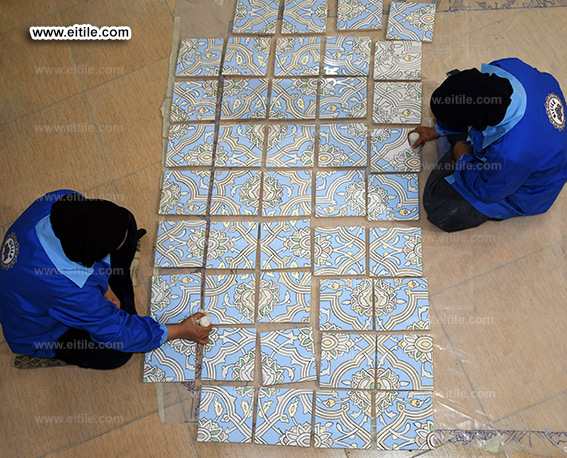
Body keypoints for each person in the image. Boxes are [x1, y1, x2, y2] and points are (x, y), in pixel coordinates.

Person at [0, 190, 212, 370]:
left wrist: (105, 287)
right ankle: (52, 351)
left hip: (45, 280)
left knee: (126, 225)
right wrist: (180, 330)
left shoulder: (63, 199)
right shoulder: (72, 292)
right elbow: (118, 333)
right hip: (41, 329)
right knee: (117, 353)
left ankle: (112, 298)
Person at [411, 57, 567, 232]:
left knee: (439, 206)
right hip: (534, 133)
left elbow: (488, 191)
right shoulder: (506, 67)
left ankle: (465, 155)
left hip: (527, 186)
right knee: (455, 100)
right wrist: (437, 130)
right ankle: (465, 145)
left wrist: (463, 158)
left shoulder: (511, 155)